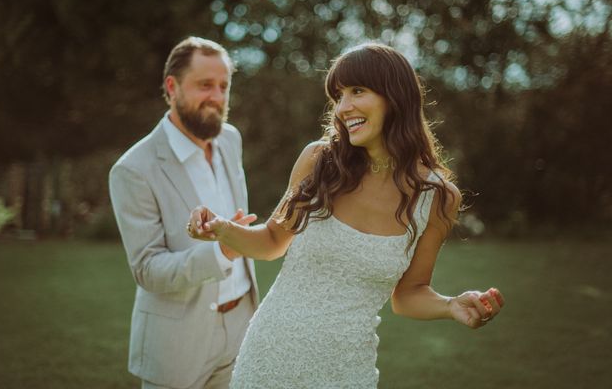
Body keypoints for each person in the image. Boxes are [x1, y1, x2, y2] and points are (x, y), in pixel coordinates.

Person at [188, 42, 505, 388]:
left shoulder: (438, 197)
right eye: (338, 96)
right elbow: (272, 241)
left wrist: (451, 306)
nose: (343, 107)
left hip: (346, 372)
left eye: (357, 91)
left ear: (395, 98)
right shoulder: (319, 161)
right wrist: (222, 229)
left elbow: (409, 293)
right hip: (267, 359)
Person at [109, 36, 259, 389]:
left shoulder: (230, 139)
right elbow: (147, 269)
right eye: (205, 85)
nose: (218, 98)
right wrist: (221, 252)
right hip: (177, 341)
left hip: (243, 327)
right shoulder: (133, 169)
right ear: (172, 87)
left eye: (224, 86)